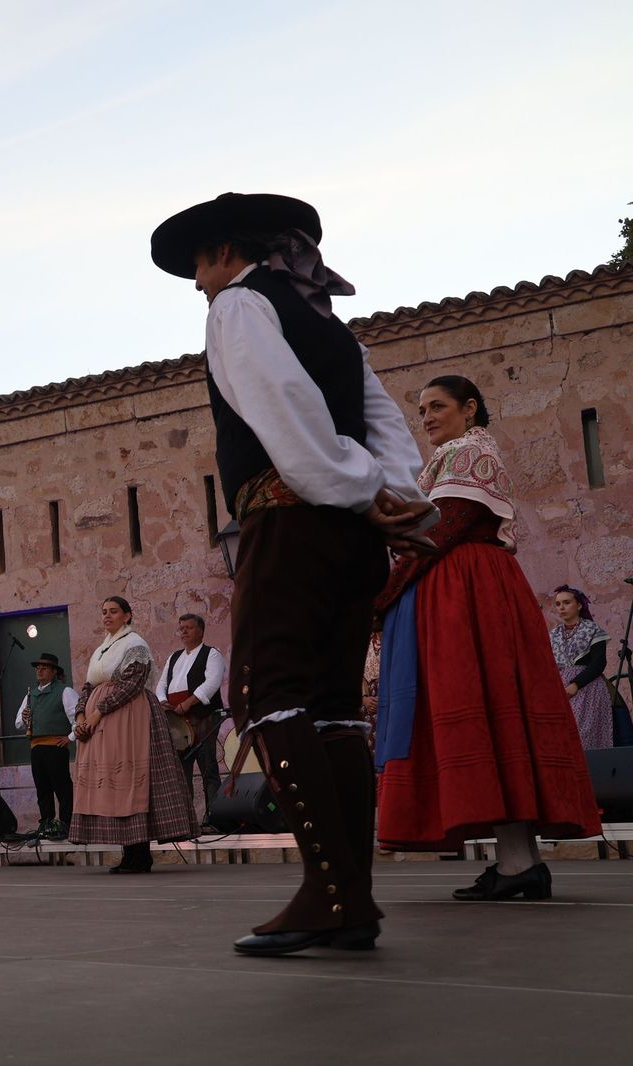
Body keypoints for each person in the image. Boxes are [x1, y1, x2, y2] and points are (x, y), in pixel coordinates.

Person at [151, 191, 434, 954]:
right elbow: (386, 427)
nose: (198, 284)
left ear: (222, 253)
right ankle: (352, 898)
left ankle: (330, 892)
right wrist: (394, 499)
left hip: (293, 519)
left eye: (199, 266)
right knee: (334, 705)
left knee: (265, 692)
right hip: (351, 533)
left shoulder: (240, 308)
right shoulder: (334, 332)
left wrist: (351, 488)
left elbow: (284, 408)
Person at [374, 377, 601, 899]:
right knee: (499, 722)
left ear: (470, 408)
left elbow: (443, 528)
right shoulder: (458, 454)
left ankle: (520, 864)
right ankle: (518, 862)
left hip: (467, 589)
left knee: (485, 711)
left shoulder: (467, 453)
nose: (427, 417)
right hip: (464, 587)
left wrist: (384, 594)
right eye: (423, 409)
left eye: (439, 406)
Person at [69, 598, 196, 872]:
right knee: (116, 784)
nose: (107, 616)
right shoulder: (103, 649)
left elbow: (132, 684)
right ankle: (129, 853)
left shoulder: (134, 644)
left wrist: (97, 711)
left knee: (132, 783)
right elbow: (88, 686)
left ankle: (139, 854)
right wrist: (80, 715)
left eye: (113, 612)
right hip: (101, 725)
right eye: (103, 612)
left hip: (129, 719)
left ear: (127, 616)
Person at [154, 613, 227, 819]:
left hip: (202, 717)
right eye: (181, 628)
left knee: (208, 767)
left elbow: (212, 682)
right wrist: (162, 701)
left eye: (189, 627)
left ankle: (215, 816)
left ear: (201, 631)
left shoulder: (211, 654)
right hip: (177, 720)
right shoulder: (174, 657)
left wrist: (189, 702)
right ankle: (186, 820)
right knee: (182, 769)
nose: (184, 631)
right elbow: (162, 684)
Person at [14, 653, 78, 839]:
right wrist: (25, 718)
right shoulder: (30, 695)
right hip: (36, 748)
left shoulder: (65, 691)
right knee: (42, 788)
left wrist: (70, 737)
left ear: (54, 671)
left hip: (55, 747)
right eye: (37, 668)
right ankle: (47, 823)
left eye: (44, 667)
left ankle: (67, 824)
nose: (39, 670)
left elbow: (77, 718)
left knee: (62, 787)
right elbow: (18, 723)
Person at [550, 585, 613, 751]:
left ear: (578, 605)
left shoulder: (592, 630)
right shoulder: (554, 634)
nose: (561, 607)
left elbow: (598, 663)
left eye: (566, 602)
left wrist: (575, 685)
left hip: (587, 687)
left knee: (581, 733)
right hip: (558, 689)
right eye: (558, 604)